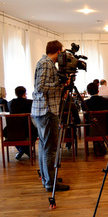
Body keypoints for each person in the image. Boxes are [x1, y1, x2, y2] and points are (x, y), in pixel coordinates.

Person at [31, 40, 70, 192]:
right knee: (50, 148)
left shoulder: (45, 63)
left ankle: (47, 178)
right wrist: (60, 85)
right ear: (59, 52)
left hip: (42, 110)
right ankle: (50, 182)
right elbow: (40, 87)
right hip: (47, 111)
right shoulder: (46, 63)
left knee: (44, 146)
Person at [82, 82, 108, 156]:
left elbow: (86, 118)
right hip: (105, 128)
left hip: (91, 129)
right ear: (98, 91)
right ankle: (100, 143)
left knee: (93, 124)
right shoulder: (106, 101)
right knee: (101, 123)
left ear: (88, 93)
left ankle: (96, 143)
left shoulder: (85, 103)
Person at [8, 86, 38, 160]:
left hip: (12, 131)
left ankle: (22, 150)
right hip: (27, 128)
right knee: (36, 132)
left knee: (9, 134)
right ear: (25, 93)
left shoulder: (10, 103)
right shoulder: (30, 102)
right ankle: (26, 150)